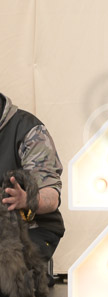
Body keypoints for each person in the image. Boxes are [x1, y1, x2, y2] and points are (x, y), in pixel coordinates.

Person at [0, 92, 66, 279]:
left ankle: (35, 275)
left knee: (9, 276)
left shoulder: (28, 130)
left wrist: (27, 200)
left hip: (29, 230)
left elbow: (51, 197)